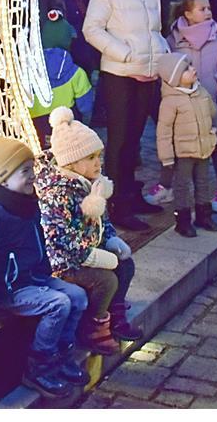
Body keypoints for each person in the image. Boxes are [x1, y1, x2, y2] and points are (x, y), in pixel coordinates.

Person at [0, 137, 90, 397]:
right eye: (25, 171)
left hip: (33, 277)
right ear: (4, 179)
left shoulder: (26, 201)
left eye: (32, 169)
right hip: (8, 288)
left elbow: (37, 238)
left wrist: (44, 270)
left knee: (77, 296)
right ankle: (39, 365)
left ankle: (62, 355)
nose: (33, 176)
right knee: (58, 304)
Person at [36, 108, 142, 357]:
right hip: (65, 262)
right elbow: (59, 240)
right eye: (91, 157)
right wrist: (93, 257)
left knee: (126, 266)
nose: (99, 162)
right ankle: (94, 326)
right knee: (106, 280)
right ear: (72, 161)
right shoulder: (59, 193)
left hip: (88, 249)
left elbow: (101, 221)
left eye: (99, 156)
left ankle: (116, 314)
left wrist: (111, 239)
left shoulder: (91, 184)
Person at [83, 0, 169, 230]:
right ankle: (115, 204)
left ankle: (131, 195)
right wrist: (124, 54)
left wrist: (161, 55)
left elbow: (156, 29)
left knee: (135, 139)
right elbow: (92, 29)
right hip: (120, 74)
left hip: (148, 73)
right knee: (118, 141)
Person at [158, 0, 217, 213]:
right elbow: (166, 68)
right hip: (182, 107)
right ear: (188, 14)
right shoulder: (173, 40)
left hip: (209, 102)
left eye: (209, 8)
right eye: (202, 9)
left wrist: (213, 83)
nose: (208, 12)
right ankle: (168, 186)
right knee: (179, 147)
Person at [155, 53, 217, 237]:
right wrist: (166, 157)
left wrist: (214, 135)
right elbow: (164, 131)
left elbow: (212, 113)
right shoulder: (170, 101)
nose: (193, 70)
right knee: (182, 186)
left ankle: (203, 215)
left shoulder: (201, 92)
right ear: (176, 77)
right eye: (186, 69)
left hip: (203, 148)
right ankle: (182, 220)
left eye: (191, 66)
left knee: (203, 182)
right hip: (183, 152)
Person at [28, 10, 94, 148]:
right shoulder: (76, 72)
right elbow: (85, 106)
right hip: (66, 122)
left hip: (35, 124)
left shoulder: (29, 71)